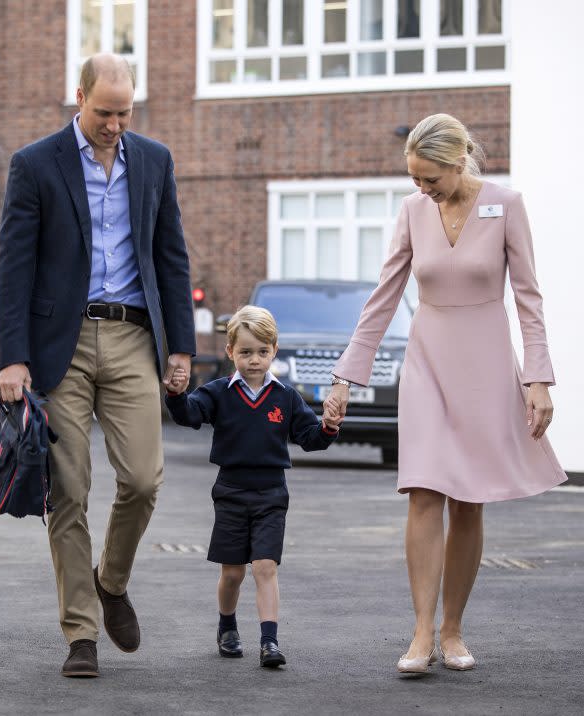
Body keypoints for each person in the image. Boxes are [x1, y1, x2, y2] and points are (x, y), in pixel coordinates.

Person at [323, 113, 567, 674]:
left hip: (484, 362)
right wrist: (345, 377)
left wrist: (538, 379)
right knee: (423, 490)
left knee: (468, 497)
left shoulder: (506, 204)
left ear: (459, 162)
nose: (422, 189)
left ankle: (453, 630)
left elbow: (529, 299)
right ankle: (419, 634)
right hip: (427, 363)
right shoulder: (413, 212)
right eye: (415, 178)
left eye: (430, 178)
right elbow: (383, 298)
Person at [0, 54, 196, 677]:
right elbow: (14, 267)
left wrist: (182, 348)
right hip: (63, 344)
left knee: (142, 479)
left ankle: (111, 580)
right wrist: (13, 358)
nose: (114, 124)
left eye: (124, 112)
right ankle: (81, 633)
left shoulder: (154, 160)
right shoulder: (35, 164)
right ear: (78, 97)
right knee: (69, 490)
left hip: (135, 337)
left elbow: (171, 255)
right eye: (104, 111)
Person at [164, 305, 339, 668]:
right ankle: (227, 625)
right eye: (245, 352)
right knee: (233, 571)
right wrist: (178, 395)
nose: (254, 360)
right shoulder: (218, 393)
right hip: (230, 491)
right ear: (230, 352)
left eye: (262, 351)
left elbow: (309, 437)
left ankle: (269, 641)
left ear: (274, 350)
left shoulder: (286, 397)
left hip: (272, 493)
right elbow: (189, 415)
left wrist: (328, 427)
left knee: (265, 565)